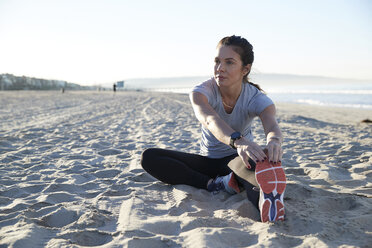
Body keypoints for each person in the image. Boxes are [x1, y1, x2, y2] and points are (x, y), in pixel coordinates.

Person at [141, 35, 285, 222]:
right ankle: (214, 184)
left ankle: (270, 205)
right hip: (207, 163)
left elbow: (272, 124)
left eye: (229, 62)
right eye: (217, 61)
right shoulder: (202, 92)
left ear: (245, 69)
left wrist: (274, 141)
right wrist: (238, 141)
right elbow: (210, 120)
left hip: (239, 160)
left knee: (257, 174)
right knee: (150, 157)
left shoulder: (257, 98)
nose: (220, 68)